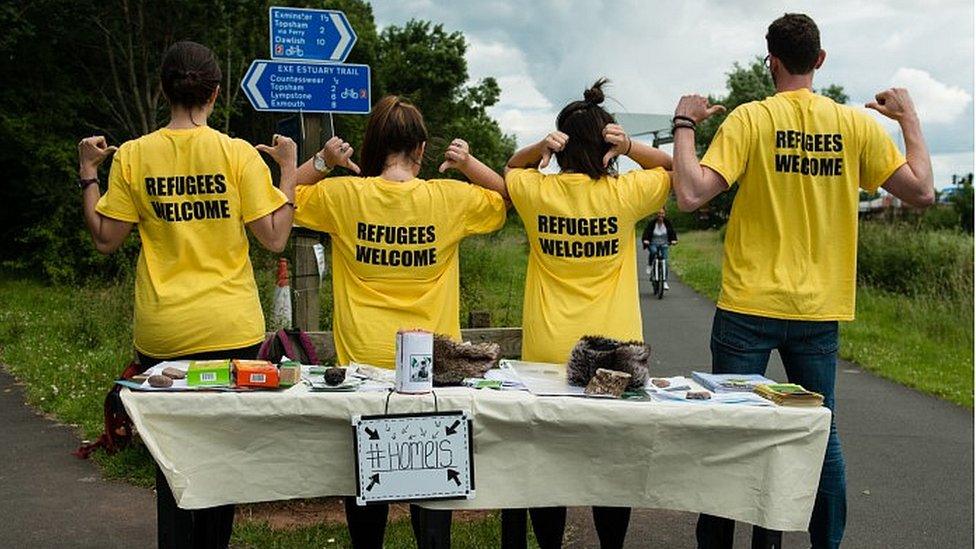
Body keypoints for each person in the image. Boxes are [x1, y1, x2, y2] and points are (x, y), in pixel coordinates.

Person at [670, 13, 934, 549]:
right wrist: (908, 118)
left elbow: (692, 193)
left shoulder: (751, 119)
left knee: (730, 433)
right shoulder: (856, 126)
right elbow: (922, 192)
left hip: (748, 302)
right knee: (820, 435)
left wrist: (683, 123)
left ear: (770, 62)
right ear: (820, 60)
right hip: (818, 307)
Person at [78, 41, 298, 548]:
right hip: (232, 329)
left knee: (171, 461)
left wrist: (88, 172)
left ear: (162, 89)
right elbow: (274, 237)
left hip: (164, 332)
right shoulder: (237, 153)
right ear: (216, 94)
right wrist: (288, 166)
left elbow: (105, 239)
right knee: (221, 458)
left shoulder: (133, 155)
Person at [291, 95, 507, 549]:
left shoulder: (342, 195)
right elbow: (507, 196)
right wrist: (468, 165)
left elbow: (281, 194)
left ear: (373, 145)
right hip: (431, 369)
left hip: (363, 367)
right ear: (422, 148)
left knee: (366, 489)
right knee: (432, 483)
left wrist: (323, 161)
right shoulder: (450, 198)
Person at [475, 79, 672, 549]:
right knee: (611, 460)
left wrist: (537, 148)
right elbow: (676, 169)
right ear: (608, 146)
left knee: (548, 461)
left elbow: (510, 167)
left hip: (549, 353)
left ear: (560, 144)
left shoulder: (537, 192)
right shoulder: (625, 196)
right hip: (615, 356)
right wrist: (633, 147)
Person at [641, 208, 678, 289]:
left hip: (664, 244)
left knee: (664, 260)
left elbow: (672, 232)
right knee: (653, 252)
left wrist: (674, 240)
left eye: (662, 213)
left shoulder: (667, 223)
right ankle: (650, 265)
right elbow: (646, 232)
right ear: (656, 214)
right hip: (653, 243)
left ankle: (664, 281)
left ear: (664, 214)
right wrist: (646, 240)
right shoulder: (652, 223)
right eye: (659, 213)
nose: (660, 215)